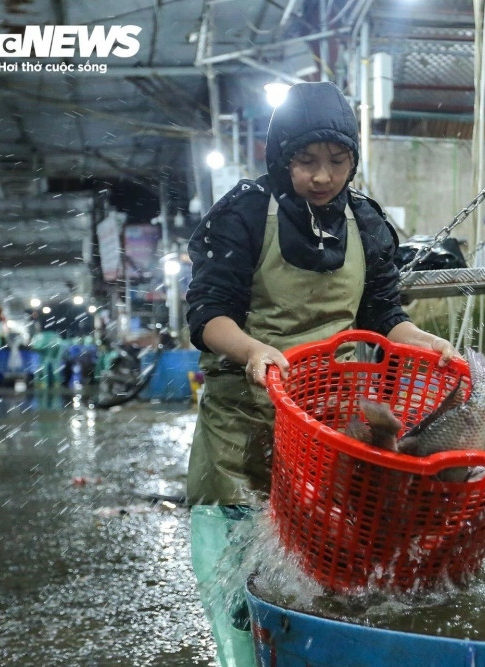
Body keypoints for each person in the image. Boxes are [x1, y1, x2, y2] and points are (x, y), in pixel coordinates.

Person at [184, 80, 456, 666]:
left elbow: (383, 316)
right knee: (242, 579)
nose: (322, 176)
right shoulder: (246, 211)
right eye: (305, 161)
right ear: (280, 156)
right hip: (245, 426)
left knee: (332, 570)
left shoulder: (364, 220)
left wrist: (422, 340)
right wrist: (254, 350)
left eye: (338, 161)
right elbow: (208, 316)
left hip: (335, 428)